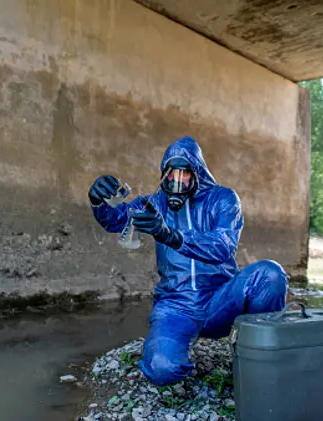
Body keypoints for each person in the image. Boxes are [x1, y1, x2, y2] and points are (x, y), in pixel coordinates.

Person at [88, 136, 289, 386]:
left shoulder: (223, 199)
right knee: (161, 368)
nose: (177, 180)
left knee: (270, 274)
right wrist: (98, 201)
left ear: (198, 173)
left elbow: (223, 246)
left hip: (221, 300)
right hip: (176, 305)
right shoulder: (154, 203)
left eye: (184, 174)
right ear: (164, 174)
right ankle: (179, 351)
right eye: (171, 173)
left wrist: (170, 235)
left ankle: (261, 357)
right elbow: (115, 220)